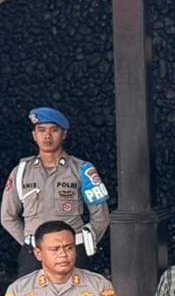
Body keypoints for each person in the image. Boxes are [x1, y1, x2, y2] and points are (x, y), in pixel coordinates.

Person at [1, 108, 110, 275]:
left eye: (54, 130)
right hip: (34, 255)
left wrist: (83, 243)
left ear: (64, 134)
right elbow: (7, 216)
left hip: (72, 253)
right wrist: (30, 243)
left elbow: (101, 217)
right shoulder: (21, 172)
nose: (47, 136)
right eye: (41, 130)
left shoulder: (82, 169)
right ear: (34, 135)